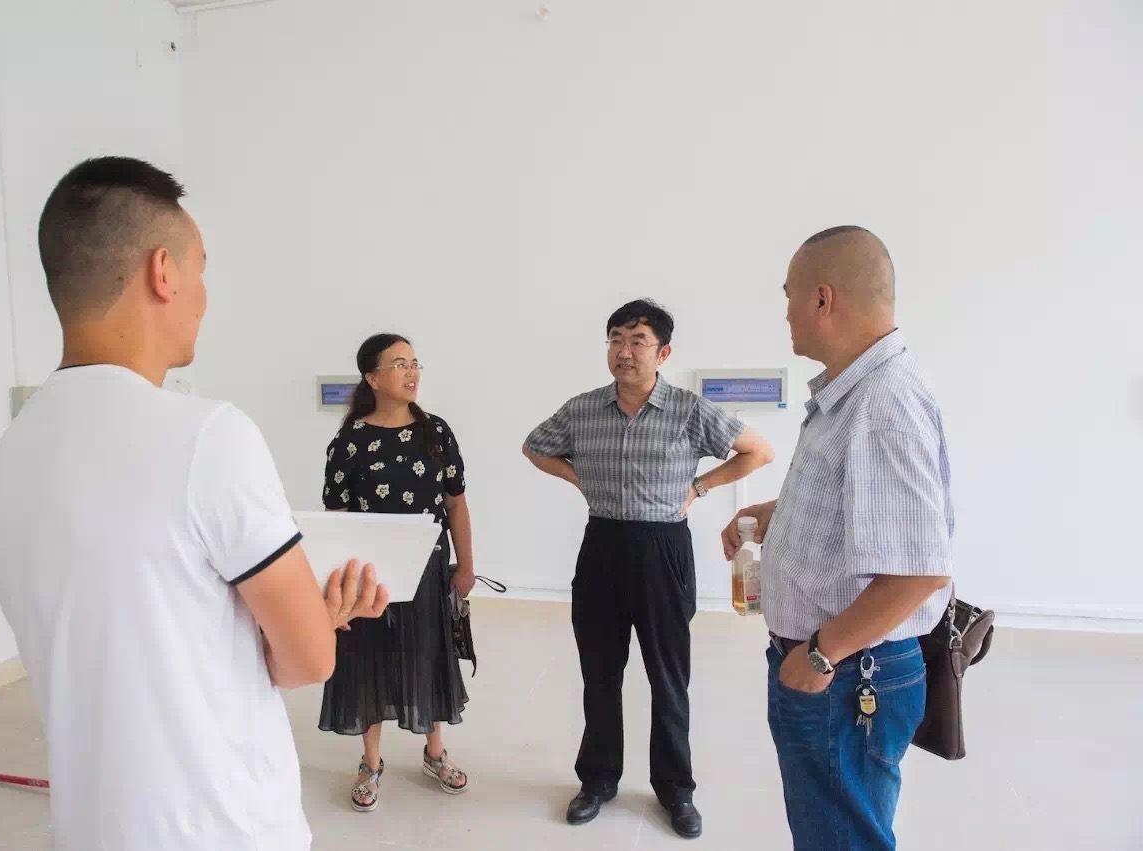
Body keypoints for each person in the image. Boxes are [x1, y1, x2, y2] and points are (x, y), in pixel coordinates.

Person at [0, 157, 389, 851]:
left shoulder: (15, 448)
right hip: (221, 826)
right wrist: (319, 617)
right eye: (201, 270)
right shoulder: (207, 436)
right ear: (163, 272)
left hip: (92, 827)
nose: (204, 296)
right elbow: (308, 660)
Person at [722, 226, 953, 850]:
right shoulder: (855, 393)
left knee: (841, 838)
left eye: (790, 296)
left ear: (823, 299)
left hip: (848, 672)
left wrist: (822, 655)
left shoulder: (882, 402)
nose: (786, 313)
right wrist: (782, 510)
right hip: (841, 667)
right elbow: (866, 507)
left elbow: (920, 569)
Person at [522, 299, 775, 839]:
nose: (624, 350)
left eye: (637, 340)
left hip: (663, 550)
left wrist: (699, 487)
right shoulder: (582, 409)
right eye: (616, 338)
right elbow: (534, 447)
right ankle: (597, 780)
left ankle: (675, 790)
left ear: (663, 353)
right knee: (599, 673)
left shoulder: (688, 410)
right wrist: (579, 478)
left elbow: (757, 451)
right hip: (602, 547)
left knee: (668, 677)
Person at [319, 333, 476, 812]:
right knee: (369, 661)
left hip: (428, 569)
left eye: (414, 362)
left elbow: (456, 503)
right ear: (372, 378)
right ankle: (370, 763)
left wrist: (467, 566)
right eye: (399, 364)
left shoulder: (436, 432)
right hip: (371, 575)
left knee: (428, 654)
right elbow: (336, 518)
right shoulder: (350, 440)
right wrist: (338, 590)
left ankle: (435, 753)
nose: (411, 372)